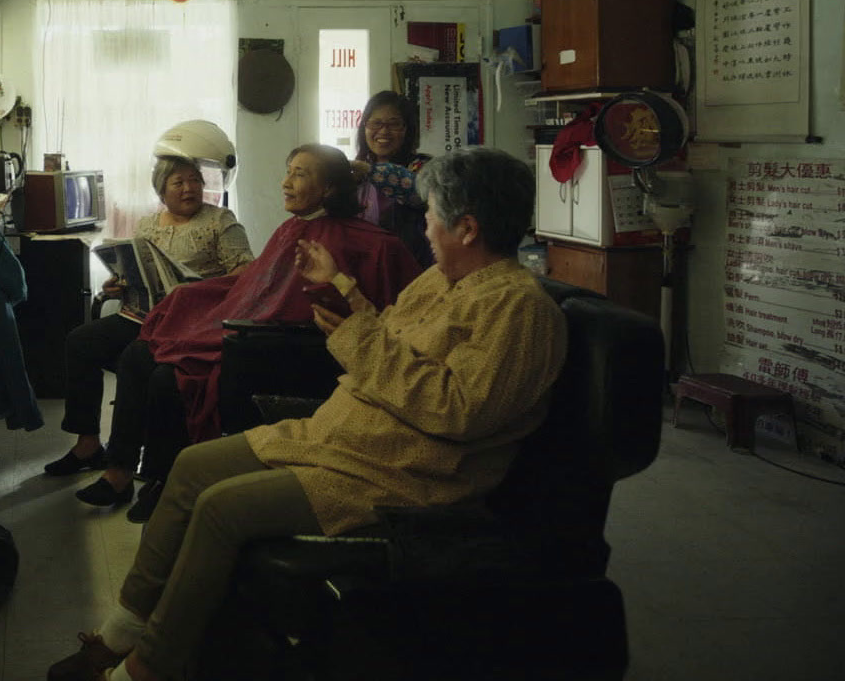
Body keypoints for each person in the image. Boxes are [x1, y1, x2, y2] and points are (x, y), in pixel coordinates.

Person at [47, 147, 568, 681]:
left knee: (221, 508)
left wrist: (356, 338)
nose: (426, 225)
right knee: (192, 468)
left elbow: (456, 411)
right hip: (348, 436)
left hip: (401, 472)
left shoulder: (518, 310)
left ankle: (150, 664)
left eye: (433, 214)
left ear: (468, 228)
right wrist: (342, 286)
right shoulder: (441, 282)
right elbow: (393, 335)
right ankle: (120, 632)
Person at [83, 144, 422, 522]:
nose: (285, 182)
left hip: (279, 349)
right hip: (245, 324)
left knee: (168, 377)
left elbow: (384, 318)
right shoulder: (291, 229)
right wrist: (188, 294)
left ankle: (163, 480)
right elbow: (254, 284)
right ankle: (119, 471)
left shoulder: (370, 243)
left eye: (299, 174)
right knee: (137, 354)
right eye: (288, 170)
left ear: (327, 189)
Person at [45, 153, 253, 497]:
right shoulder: (148, 225)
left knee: (134, 360)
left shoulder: (221, 221)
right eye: (179, 182)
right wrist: (116, 285)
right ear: (162, 190)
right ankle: (88, 443)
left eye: (195, 180)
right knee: (80, 341)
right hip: (144, 315)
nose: (189, 188)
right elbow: (138, 274)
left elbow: (246, 273)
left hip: (190, 324)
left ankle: (122, 465)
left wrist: (197, 289)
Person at [352, 90, 433, 266]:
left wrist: (370, 171)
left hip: (411, 270)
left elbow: (418, 192)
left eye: (394, 124)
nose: (383, 131)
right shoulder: (355, 174)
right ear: (364, 127)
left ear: (407, 129)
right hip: (363, 270)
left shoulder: (424, 167)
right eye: (375, 123)